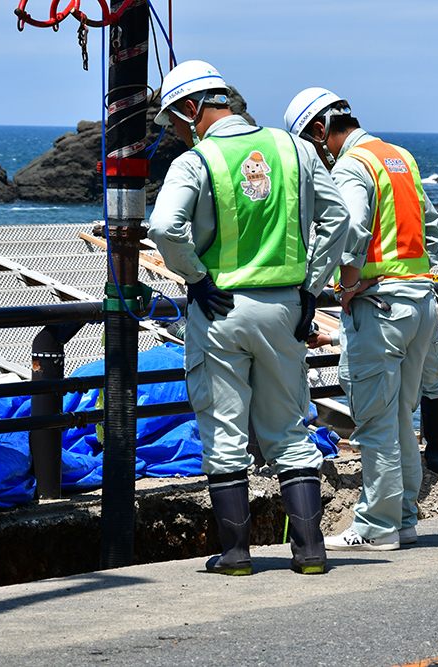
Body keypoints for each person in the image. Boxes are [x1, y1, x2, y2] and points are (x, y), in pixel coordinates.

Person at [148, 61, 350, 575]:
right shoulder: (297, 149)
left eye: (174, 121)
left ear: (192, 109)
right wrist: (311, 286)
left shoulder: (196, 161)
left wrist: (196, 278)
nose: (175, 132)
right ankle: (309, 552)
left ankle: (237, 555)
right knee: (289, 429)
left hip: (221, 312)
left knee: (224, 432)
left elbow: (166, 227)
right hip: (285, 308)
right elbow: (338, 218)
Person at [285, 87, 438, 551]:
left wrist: (347, 282)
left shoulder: (354, 165)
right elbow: (432, 227)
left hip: (380, 308)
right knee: (398, 418)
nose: (319, 158)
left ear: (321, 131)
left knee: (375, 420)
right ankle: (404, 519)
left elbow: (350, 228)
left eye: (314, 147)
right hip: (419, 302)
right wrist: (413, 275)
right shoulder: (399, 157)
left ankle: (376, 527)